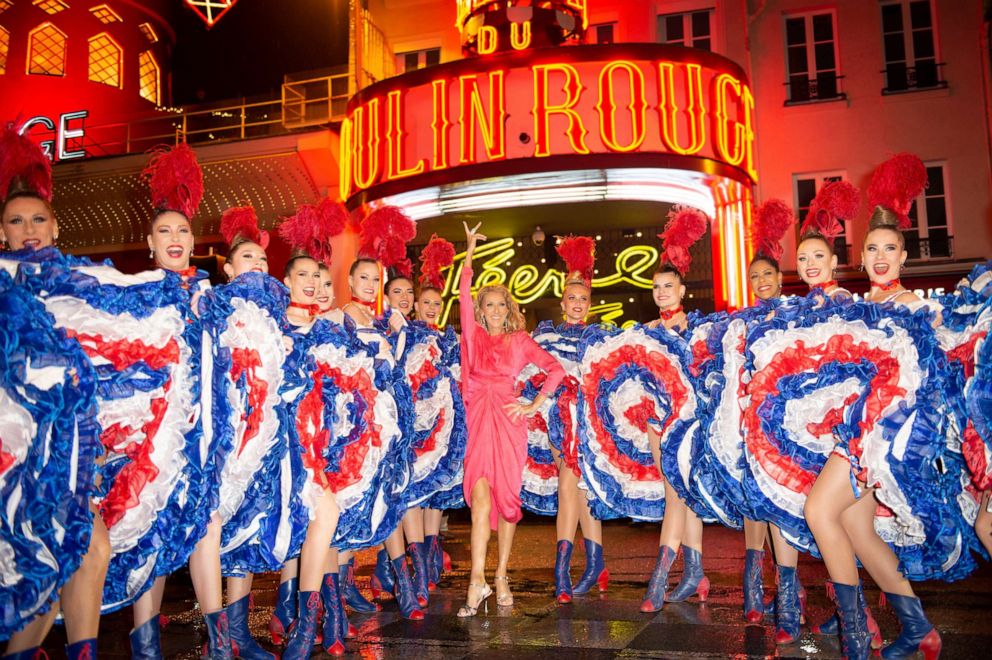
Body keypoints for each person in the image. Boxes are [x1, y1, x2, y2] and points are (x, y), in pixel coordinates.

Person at [0, 122, 106, 660]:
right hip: (11, 452)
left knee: (90, 547)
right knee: (37, 565)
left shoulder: (83, 283)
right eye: (16, 222)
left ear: (57, 225)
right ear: (3, 234)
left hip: (70, 447)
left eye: (38, 218)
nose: (29, 229)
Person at [457, 220, 565, 616]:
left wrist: (534, 403)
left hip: (508, 418)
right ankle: (476, 581)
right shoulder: (473, 335)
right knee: (480, 501)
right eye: (491, 305)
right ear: (482, 312)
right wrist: (468, 254)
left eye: (503, 304)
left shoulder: (519, 341)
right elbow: (462, 297)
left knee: (506, 502)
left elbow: (555, 370)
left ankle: (500, 575)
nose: (497, 310)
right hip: (478, 417)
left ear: (510, 309)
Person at [641, 206, 710, 612]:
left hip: (687, 423)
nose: (662, 292)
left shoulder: (697, 329)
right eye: (656, 288)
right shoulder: (648, 332)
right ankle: (696, 572)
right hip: (656, 423)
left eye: (668, 286)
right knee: (681, 496)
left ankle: (660, 579)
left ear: (682, 290)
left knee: (676, 494)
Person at [536, 235, 611, 604]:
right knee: (579, 491)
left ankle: (561, 569)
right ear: (562, 301)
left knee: (570, 486)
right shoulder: (545, 334)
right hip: (554, 420)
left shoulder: (600, 335)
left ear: (589, 303)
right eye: (571, 298)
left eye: (583, 298)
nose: (577, 304)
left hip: (586, 421)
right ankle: (596, 562)